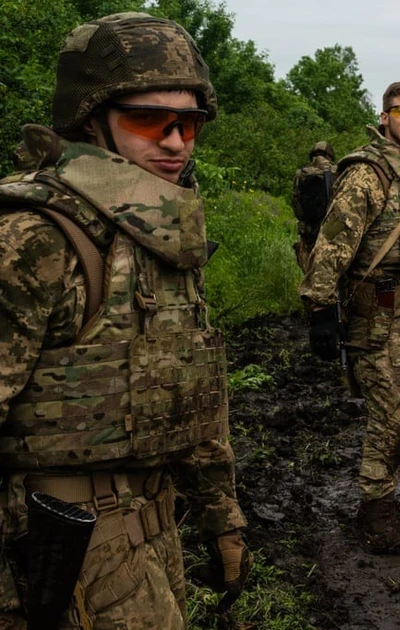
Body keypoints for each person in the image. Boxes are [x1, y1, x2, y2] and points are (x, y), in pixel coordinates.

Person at [0, 13, 250, 628]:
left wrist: (221, 520)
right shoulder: (33, 238)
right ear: (91, 119)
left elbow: (188, 388)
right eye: (148, 119)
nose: (174, 142)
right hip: (59, 549)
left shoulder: (158, 235)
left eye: (189, 124)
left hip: (151, 532)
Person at [300, 80, 400, 554]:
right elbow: (332, 247)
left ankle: (383, 498)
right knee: (390, 418)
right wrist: (320, 310)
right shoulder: (368, 173)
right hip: (374, 314)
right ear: (384, 117)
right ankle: (374, 514)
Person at [291, 140, 337, 271]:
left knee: (309, 270)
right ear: (329, 155)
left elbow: (296, 203)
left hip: (307, 231)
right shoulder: (336, 171)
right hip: (328, 231)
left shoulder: (301, 174)